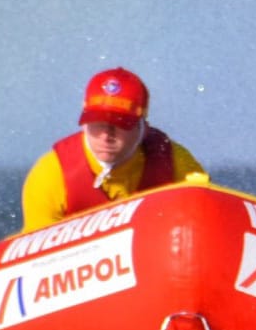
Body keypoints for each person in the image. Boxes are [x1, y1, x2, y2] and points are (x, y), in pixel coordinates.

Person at [20, 67, 205, 233]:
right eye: (97, 122)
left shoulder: (176, 163)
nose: (106, 135)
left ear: (143, 126)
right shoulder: (51, 175)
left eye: (120, 124)